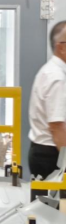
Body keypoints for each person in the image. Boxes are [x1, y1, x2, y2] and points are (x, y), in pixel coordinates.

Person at [29, 21, 66, 180]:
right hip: (52, 154)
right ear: (61, 47)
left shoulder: (51, 71)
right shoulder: (56, 77)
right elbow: (56, 126)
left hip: (47, 151)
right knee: (54, 197)